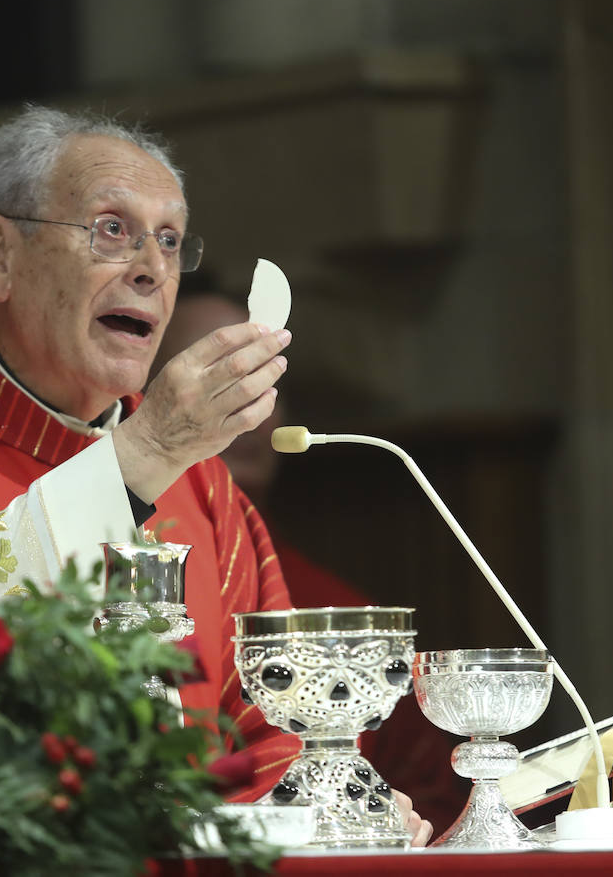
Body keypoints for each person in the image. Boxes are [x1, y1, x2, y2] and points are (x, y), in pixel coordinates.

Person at [0, 105, 431, 845]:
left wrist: (330, 819)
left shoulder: (203, 488)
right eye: (111, 230)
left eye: (168, 241)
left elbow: (270, 735)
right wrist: (145, 454)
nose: (152, 269)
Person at [152, 281, 464, 831]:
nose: (251, 413)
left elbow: (432, 795)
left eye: (263, 384)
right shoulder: (133, 559)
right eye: (220, 379)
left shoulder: (335, 605)